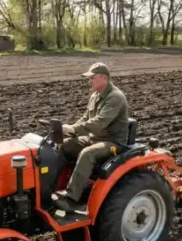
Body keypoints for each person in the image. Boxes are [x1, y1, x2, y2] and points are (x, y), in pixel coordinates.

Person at [53, 62, 129, 213]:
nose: (89, 81)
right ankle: (54, 187)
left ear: (104, 78)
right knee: (65, 145)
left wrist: (74, 128)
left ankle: (71, 198)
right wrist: (71, 130)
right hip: (95, 137)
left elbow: (99, 122)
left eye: (92, 78)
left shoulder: (115, 97)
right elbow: (86, 118)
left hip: (112, 141)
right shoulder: (95, 95)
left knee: (87, 153)